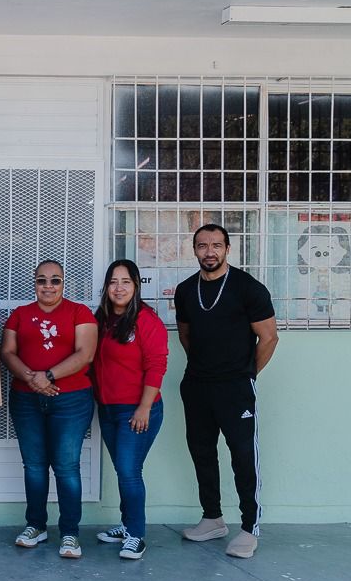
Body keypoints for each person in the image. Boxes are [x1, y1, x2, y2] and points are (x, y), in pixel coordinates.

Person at [174, 223, 278, 559]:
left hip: (235, 386)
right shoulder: (186, 290)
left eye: (216, 245)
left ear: (228, 249)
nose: (209, 252)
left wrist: (247, 374)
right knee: (202, 453)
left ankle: (250, 527)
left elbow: (270, 337)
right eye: (202, 245)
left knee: (243, 457)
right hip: (198, 384)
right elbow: (186, 335)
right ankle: (213, 518)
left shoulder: (249, 288)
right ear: (194, 250)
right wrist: (204, 369)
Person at [1, 260, 97, 559]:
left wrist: (48, 376)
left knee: (66, 466)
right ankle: (36, 526)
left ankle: (70, 533)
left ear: (63, 283)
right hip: (26, 399)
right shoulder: (20, 314)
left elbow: (86, 354)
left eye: (55, 280)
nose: (48, 286)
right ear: (34, 282)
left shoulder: (79, 312)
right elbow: (7, 352)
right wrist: (32, 378)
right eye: (42, 280)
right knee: (34, 466)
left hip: (71, 400)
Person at [92, 259, 168, 560]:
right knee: (124, 470)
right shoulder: (102, 319)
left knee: (129, 471)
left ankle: (136, 534)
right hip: (108, 409)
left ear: (136, 286)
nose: (119, 288)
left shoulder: (146, 320)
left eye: (125, 281)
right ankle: (126, 525)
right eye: (113, 282)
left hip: (136, 410)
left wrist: (144, 407)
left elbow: (157, 365)